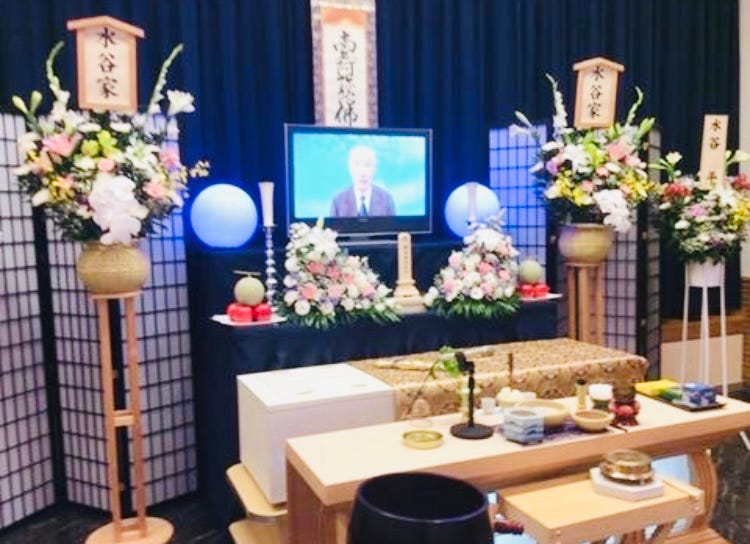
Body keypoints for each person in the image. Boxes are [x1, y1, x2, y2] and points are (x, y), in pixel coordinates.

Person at [329, 145, 396, 217]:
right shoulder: (338, 201)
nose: (362, 172)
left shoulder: (387, 199)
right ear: (350, 169)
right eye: (357, 165)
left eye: (367, 165)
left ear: (374, 169)